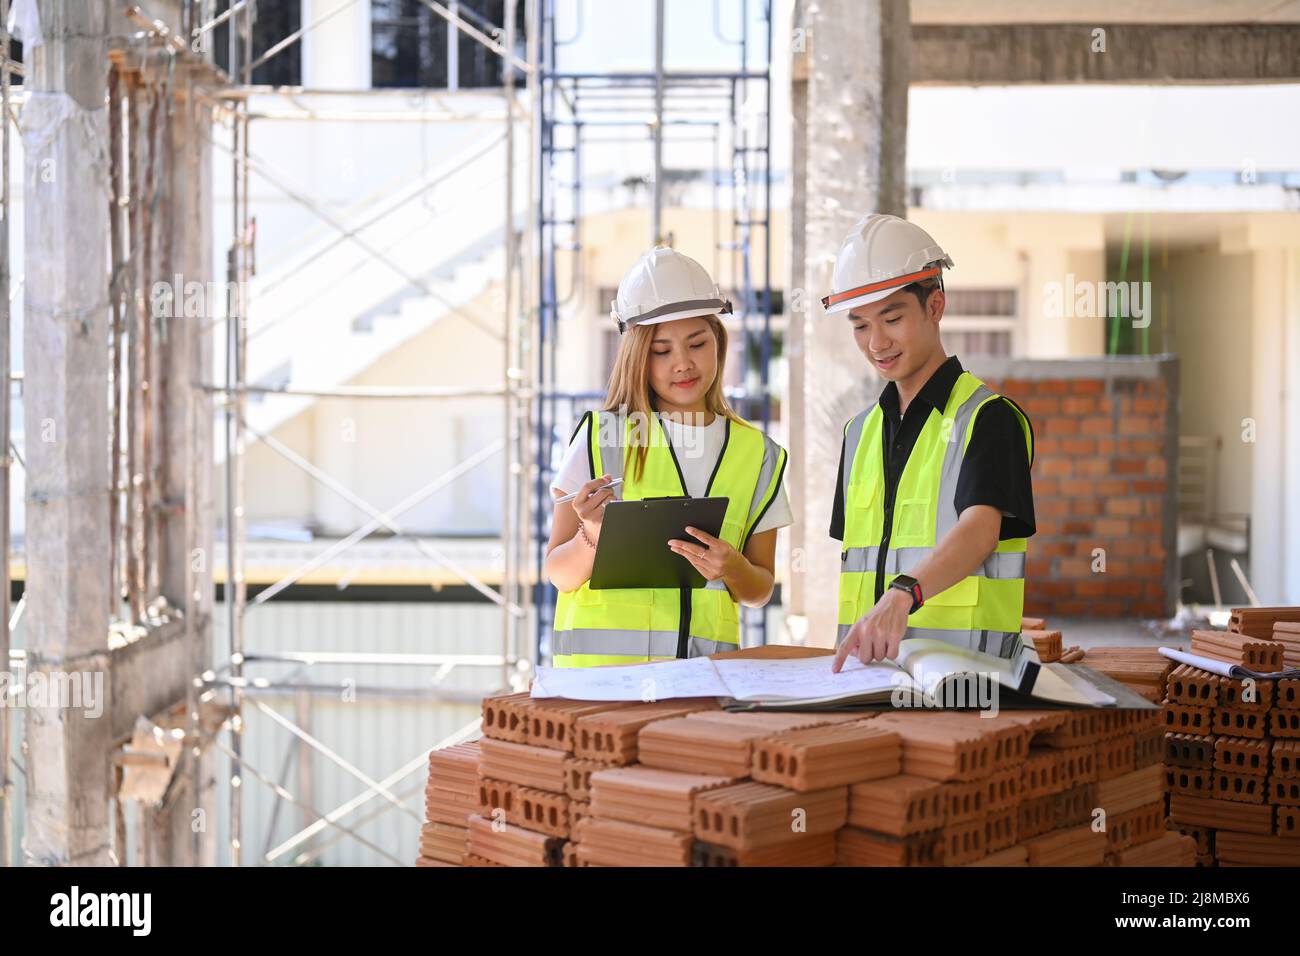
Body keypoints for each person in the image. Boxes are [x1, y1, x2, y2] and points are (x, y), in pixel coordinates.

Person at [545, 246, 791, 668]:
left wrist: (732, 567)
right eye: (662, 351)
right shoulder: (603, 437)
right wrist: (592, 534)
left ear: (718, 341)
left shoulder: (757, 454)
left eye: (697, 343)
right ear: (638, 355)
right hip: (600, 690)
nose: (683, 364)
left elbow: (760, 590)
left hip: (702, 687)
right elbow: (558, 573)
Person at [821, 214, 1036, 672]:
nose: (876, 342)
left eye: (892, 318)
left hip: (967, 679)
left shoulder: (988, 419)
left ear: (935, 306)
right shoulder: (857, 433)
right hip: (868, 677)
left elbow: (980, 531)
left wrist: (904, 593)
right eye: (859, 325)